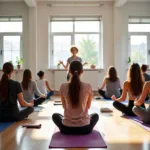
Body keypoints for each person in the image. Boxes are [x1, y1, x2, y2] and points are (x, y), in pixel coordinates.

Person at [52, 61, 99, 134]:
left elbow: (64, 107)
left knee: (55, 116)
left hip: (67, 129)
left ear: (69, 71)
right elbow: (88, 107)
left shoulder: (63, 86)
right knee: (95, 115)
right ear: (82, 72)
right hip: (85, 128)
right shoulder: (88, 86)